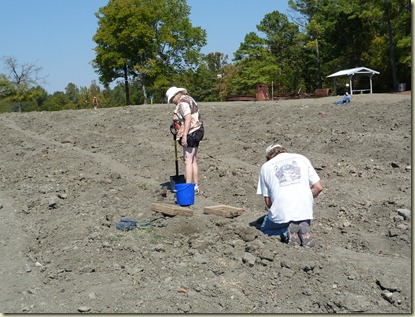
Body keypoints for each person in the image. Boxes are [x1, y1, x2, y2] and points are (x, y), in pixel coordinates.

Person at [257, 144, 323, 247]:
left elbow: (268, 202)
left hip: (283, 212)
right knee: (299, 219)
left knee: (264, 230)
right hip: (304, 211)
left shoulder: (266, 167)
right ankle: (302, 231)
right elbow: (318, 187)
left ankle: (286, 232)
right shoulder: (301, 158)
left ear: (268, 156)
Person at [166, 86, 204, 194]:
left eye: (172, 100)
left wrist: (184, 135)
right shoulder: (190, 99)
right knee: (192, 160)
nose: (173, 103)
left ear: (175, 96)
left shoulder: (182, 103)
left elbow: (187, 118)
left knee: (187, 160)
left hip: (191, 132)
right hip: (199, 130)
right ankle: (195, 186)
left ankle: (187, 189)